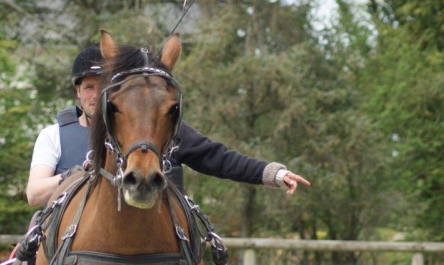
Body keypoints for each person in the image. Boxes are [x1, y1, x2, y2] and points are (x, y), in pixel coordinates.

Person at [27, 44, 310, 208]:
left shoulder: (151, 125)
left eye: (102, 87)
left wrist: (273, 173)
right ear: (78, 91)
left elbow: (216, 157)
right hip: (68, 234)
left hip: (152, 239)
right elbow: (35, 194)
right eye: (88, 87)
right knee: (34, 242)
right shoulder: (54, 135)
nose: (94, 94)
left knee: (203, 236)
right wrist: (80, 173)